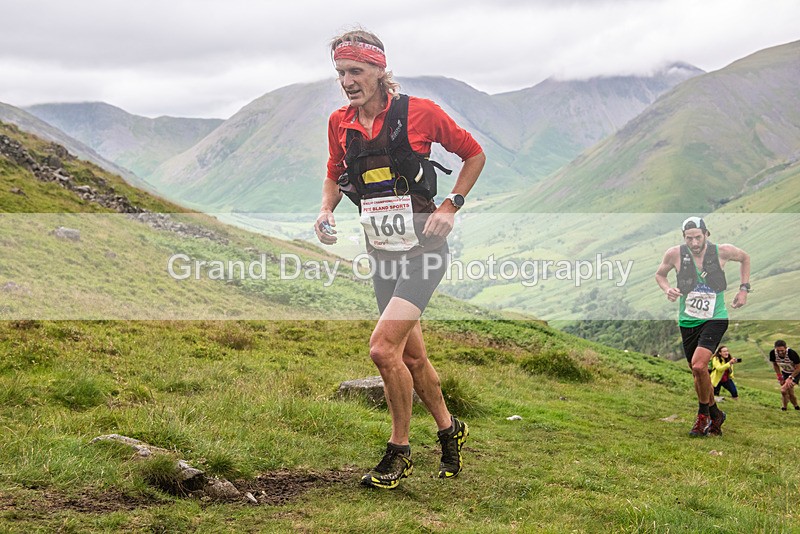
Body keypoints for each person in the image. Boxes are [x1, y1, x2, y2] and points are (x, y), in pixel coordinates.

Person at [315, 29, 485, 489]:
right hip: (383, 254)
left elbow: (473, 154)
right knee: (411, 357)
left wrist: (451, 205)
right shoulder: (339, 123)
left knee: (382, 349)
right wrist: (326, 209)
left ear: (379, 69)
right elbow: (334, 173)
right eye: (340, 73)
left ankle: (399, 452)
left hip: (424, 253)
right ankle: (450, 430)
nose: (347, 81)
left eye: (356, 71)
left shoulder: (420, 113)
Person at [655, 216, 751, 437]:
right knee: (697, 373)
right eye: (689, 238)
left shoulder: (722, 251)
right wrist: (667, 289)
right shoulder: (674, 254)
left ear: (707, 234)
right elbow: (660, 275)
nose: (694, 243)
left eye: (698, 237)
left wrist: (744, 289)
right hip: (688, 320)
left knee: (699, 366)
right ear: (684, 237)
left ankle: (703, 416)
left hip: (715, 317)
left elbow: (745, 258)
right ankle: (716, 414)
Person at [769, 340, 800, 411]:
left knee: (783, 390)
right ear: (775, 348)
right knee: (790, 392)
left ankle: (784, 408)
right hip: (785, 372)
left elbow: (798, 368)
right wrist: (779, 376)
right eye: (778, 350)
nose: (780, 352)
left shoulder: (791, 353)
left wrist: (790, 377)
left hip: (796, 373)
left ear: (786, 348)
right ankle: (796, 407)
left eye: (782, 350)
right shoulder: (772, 353)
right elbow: (775, 365)